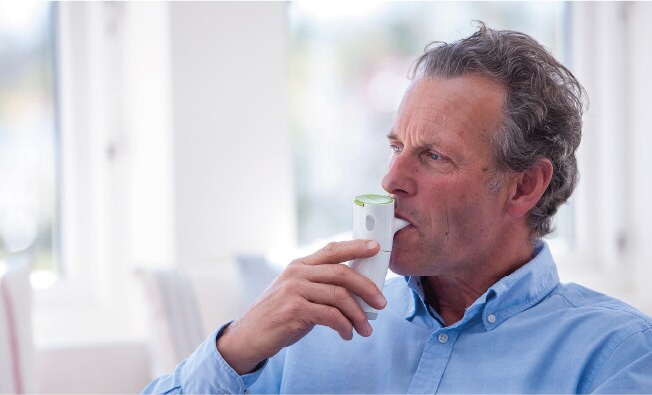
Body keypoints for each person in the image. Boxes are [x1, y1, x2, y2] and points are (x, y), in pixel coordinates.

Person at [143, 22, 652, 393]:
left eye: (433, 156)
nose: (390, 181)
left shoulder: (614, 354)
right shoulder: (309, 331)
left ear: (523, 187)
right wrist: (236, 348)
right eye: (395, 147)